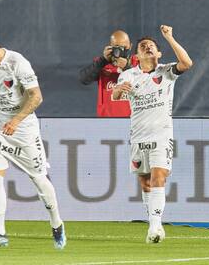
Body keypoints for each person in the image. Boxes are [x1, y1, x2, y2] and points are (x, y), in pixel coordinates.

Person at [0, 32, 66, 250]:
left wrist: (16, 120)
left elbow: (36, 96)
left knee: (39, 179)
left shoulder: (17, 63)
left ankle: (56, 222)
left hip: (23, 130)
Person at [112, 25, 193, 243]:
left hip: (161, 135)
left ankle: (155, 228)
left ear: (158, 53)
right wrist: (119, 90)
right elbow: (116, 97)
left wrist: (169, 37)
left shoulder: (166, 72)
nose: (147, 47)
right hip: (138, 136)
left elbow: (187, 63)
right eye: (142, 46)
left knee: (159, 177)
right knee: (146, 183)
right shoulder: (129, 74)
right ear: (137, 55)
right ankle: (154, 225)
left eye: (152, 46)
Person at [79, 30, 138, 117]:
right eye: (117, 47)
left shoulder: (137, 62)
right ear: (111, 47)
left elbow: (145, 83)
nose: (121, 51)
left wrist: (127, 67)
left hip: (134, 120)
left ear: (130, 46)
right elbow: (84, 79)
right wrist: (103, 60)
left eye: (124, 47)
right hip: (107, 121)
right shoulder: (102, 63)